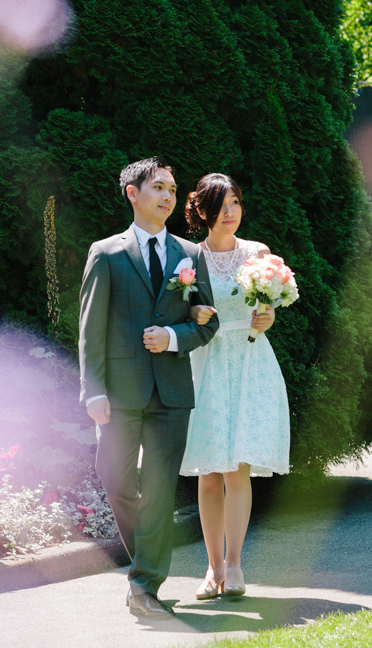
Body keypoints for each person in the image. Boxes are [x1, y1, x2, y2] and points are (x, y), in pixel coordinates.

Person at [79, 157, 219, 617]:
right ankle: (148, 562)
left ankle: (143, 586)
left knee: (159, 489)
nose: (168, 197)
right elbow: (90, 329)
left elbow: (206, 321)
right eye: (158, 187)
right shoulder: (107, 252)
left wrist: (175, 337)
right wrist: (93, 390)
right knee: (116, 479)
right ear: (133, 193)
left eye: (173, 191)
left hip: (172, 393)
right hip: (119, 392)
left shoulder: (191, 255)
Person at [179, 173, 290, 600]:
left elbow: (268, 306)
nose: (231, 213)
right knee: (209, 472)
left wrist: (269, 317)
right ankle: (211, 568)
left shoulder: (258, 254)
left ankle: (237, 564)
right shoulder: (189, 258)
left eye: (236, 203)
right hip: (206, 362)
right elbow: (177, 308)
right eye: (221, 205)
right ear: (203, 210)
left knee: (238, 467)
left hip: (249, 361)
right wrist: (193, 316)